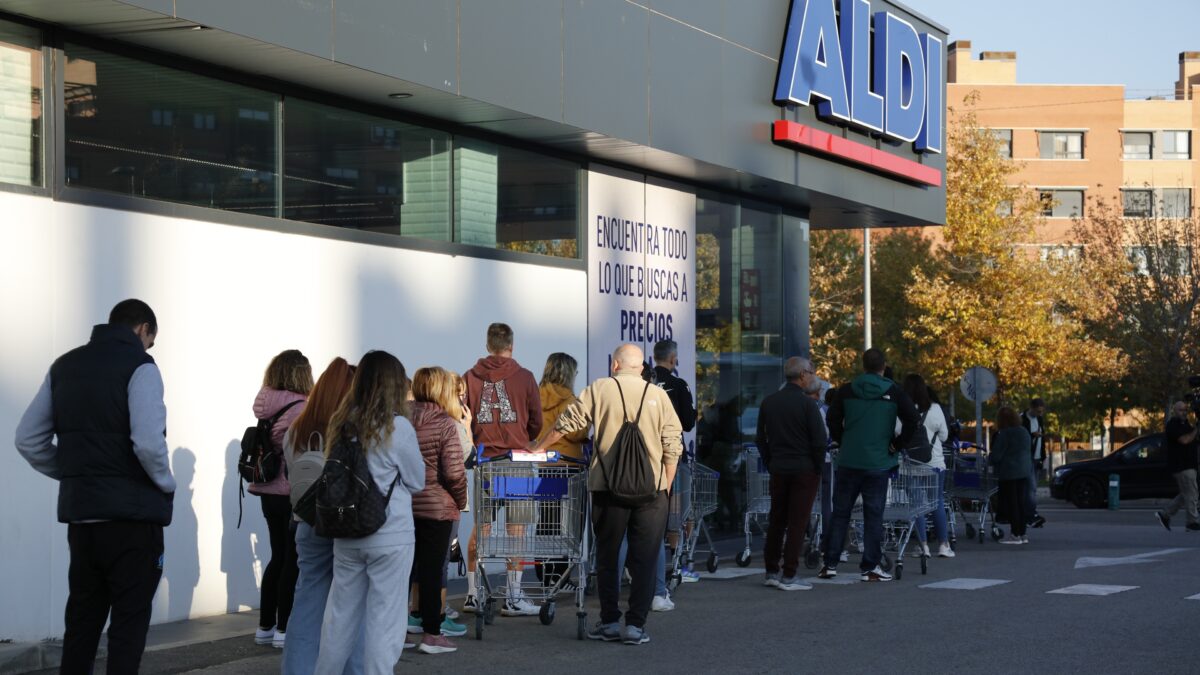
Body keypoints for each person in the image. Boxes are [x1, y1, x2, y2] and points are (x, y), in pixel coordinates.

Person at [15, 299, 175, 674]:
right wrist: (166, 483)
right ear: (144, 329)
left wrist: (76, 474)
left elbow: (27, 439)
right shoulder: (141, 366)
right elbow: (148, 443)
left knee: (82, 625)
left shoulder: (64, 366)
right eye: (151, 340)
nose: (149, 347)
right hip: (132, 520)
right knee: (128, 627)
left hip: (83, 518)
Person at [531, 344, 682, 646]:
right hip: (651, 492)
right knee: (644, 559)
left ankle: (610, 621)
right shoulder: (658, 395)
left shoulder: (599, 389)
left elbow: (567, 422)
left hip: (606, 487)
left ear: (615, 365)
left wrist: (538, 447)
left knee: (608, 556)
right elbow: (673, 444)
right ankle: (635, 626)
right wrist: (664, 485)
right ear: (642, 367)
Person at [314, 351, 425, 675]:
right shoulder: (397, 427)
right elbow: (417, 481)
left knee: (339, 620)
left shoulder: (342, 423)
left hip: (346, 533)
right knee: (384, 623)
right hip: (390, 535)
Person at [280, 357, 364, 675]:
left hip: (307, 523)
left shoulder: (297, 430)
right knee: (353, 607)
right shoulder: (353, 430)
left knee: (307, 601)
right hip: (346, 525)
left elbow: (293, 474)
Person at [463, 322, 543, 616]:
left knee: (481, 530)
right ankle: (513, 595)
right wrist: (523, 437)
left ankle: (473, 594)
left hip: (485, 462)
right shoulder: (525, 377)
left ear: (488, 345)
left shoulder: (470, 378)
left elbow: (464, 416)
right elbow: (536, 422)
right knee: (516, 531)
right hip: (516, 461)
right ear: (512, 345)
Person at [819, 348, 919, 582]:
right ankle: (870, 567)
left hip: (849, 461)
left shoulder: (846, 390)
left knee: (840, 513)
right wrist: (896, 445)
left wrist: (843, 439)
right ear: (883, 366)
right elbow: (913, 420)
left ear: (863, 365)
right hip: (879, 462)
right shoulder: (894, 391)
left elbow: (832, 418)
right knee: (873, 515)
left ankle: (829, 563)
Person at [251, 349, 313, 648]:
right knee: (293, 559)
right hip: (290, 490)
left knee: (277, 555)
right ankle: (284, 628)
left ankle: (265, 625)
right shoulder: (301, 408)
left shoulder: (265, 403)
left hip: (266, 489)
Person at [407, 367, 469, 654]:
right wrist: (460, 500)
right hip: (436, 507)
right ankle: (432, 634)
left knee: (404, 571)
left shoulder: (400, 419)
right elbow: (454, 473)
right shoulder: (445, 423)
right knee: (433, 571)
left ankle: (399, 631)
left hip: (404, 505)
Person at [756, 357, 828, 591]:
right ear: (803, 375)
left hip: (779, 468)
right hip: (804, 469)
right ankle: (789, 573)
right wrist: (817, 467)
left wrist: (770, 462)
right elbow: (819, 440)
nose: (813, 375)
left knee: (777, 519)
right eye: (812, 372)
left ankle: (771, 570)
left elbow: (761, 438)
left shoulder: (769, 402)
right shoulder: (808, 405)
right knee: (798, 521)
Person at [534, 353, 589, 594]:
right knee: (569, 525)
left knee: (547, 521)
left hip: (545, 466)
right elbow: (577, 433)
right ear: (569, 374)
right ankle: (561, 575)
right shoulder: (572, 402)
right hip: (569, 467)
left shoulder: (536, 396)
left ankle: (545, 575)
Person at [651, 340, 698, 598]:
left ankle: (644, 564)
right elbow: (688, 423)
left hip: (645, 456)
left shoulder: (644, 382)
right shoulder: (678, 385)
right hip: (671, 456)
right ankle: (676, 563)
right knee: (675, 511)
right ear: (672, 359)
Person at [902, 375, 954, 559]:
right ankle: (943, 545)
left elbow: (896, 433)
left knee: (916, 505)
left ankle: (923, 546)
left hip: (910, 464)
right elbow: (944, 436)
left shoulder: (901, 409)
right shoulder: (935, 408)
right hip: (934, 462)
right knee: (936, 502)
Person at [989, 406, 1034, 545]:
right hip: (1024, 471)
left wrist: (990, 459)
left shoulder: (1005, 433)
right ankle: (1022, 533)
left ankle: (1015, 535)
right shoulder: (1024, 431)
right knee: (1021, 503)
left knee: (1012, 504)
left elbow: (996, 456)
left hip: (1009, 472)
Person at [1155, 401, 1200, 531]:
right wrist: (1196, 429)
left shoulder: (1186, 424)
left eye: (1185, 410)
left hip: (1189, 465)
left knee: (1187, 494)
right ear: (1175, 411)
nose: (1184, 412)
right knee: (1192, 494)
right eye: (1181, 410)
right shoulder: (1172, 425)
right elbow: (1184, 440)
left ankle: (1165, 514)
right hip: (1182, 466)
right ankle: (1192, 522)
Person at [1020, 399, 1048, 529]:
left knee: (1032, 487)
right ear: (1031, 408)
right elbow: (1021, 438)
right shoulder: (1022, 419)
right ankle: (1031, 514)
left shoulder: (1039, 419)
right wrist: (1032, 435)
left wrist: (1042, 456)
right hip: (1027, 457)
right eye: (1037, 411)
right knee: (1031, 487)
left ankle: (1029, 513)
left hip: (1037, 457)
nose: (1039, 414)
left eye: (1041, 412)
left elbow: (1042, 438)